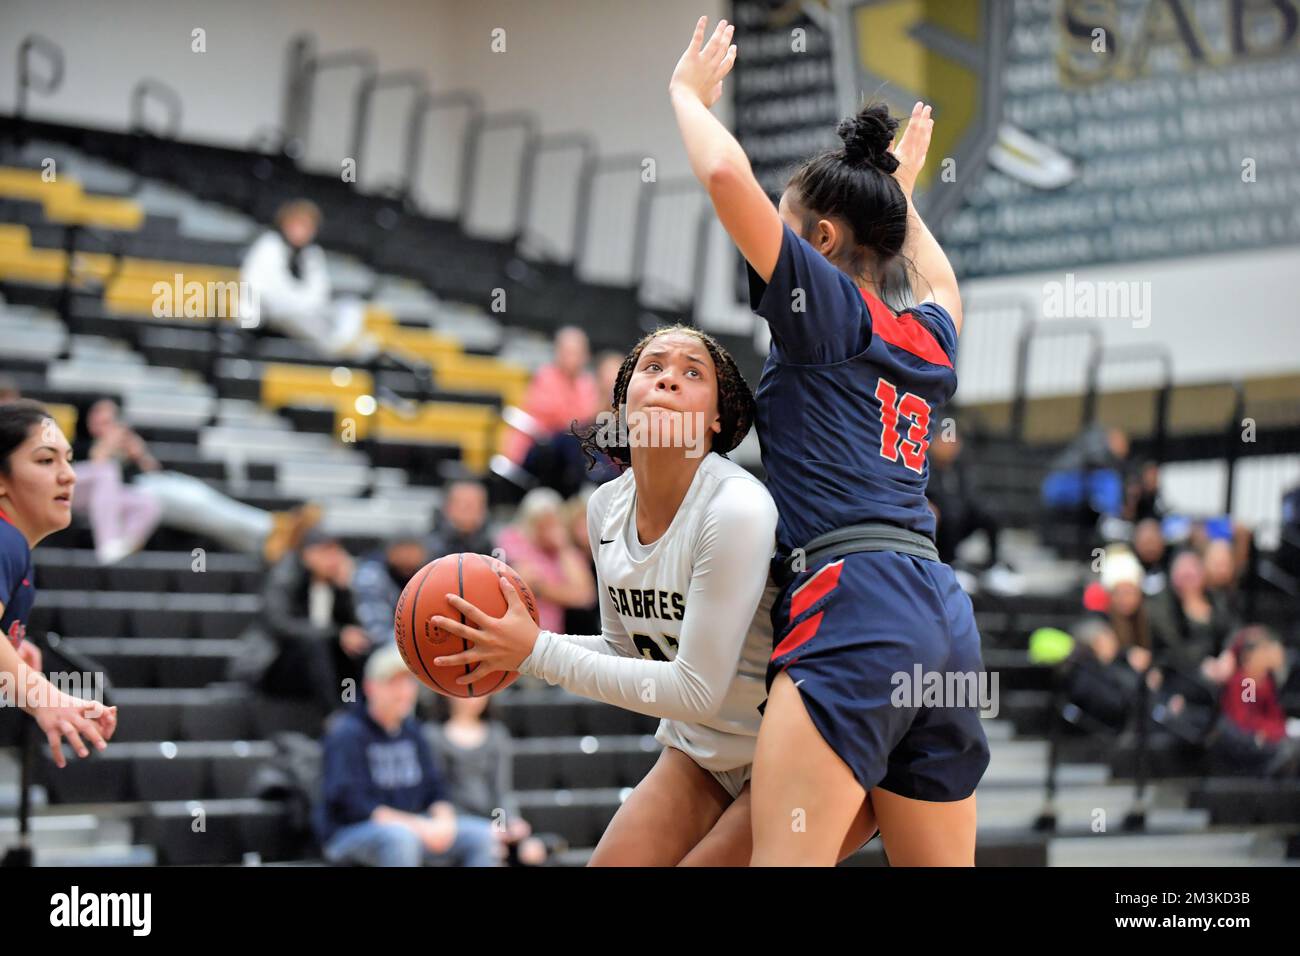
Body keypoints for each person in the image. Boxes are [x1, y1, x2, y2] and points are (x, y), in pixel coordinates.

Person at [668, 18, 989, 864]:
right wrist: (900, 197)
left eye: (784, 228)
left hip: (853, 607)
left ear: (818, 243)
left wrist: (687, 99)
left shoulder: (829, 315)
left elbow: (721, 171)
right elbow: (943, 281)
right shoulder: (929, 336)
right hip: (942, 617)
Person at [422, 325, 873, 866]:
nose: (668, 380)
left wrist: (536, 652)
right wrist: (522, 644)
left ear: (717, 418)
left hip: (806, 750)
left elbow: (695, 689)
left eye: (692, 372)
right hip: (704, 750)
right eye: (652, 367)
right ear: (622, 402)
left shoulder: (736, 507)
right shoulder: (604, 509)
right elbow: (625, 654)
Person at [0, 400, 118, 766]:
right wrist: (44, 697)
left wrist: (11, 651)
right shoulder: (6, 541)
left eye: (67, 459)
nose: (69, 475)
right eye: (46, 460)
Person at [73, 398, 318, 564]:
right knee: (193, 501)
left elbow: (152, 472)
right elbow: (97, 472)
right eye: (101, 418)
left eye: (112, 418)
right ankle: (270, 526)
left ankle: (267, 539)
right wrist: (108, 445)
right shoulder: (80, 447)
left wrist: (140, 454)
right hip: (131, 496)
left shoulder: (123, 446)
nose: (109, 423)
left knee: (201, 500)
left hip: (142, 491)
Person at [315, 645, 499, 866]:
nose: (404, 692)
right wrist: (418, 826)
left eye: (409, 682)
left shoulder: (414, 732)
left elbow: (436, 789)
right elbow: (354, 804)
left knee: (483, 836)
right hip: (350, 834)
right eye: (394, 683)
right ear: (370, 687)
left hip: (411, 828)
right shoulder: (346, 732)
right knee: (400, 838)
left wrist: (444, 820)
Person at [254, 530, 371, 715]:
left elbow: (352, 627)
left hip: (325, 663)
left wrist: (344, 589)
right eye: (326, 552)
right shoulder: (286, 576)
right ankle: (332, 715)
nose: (333, 559)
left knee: (361, 644)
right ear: (308, 554)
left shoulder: (336, 584)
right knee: (315, 643)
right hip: (279, 662)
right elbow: (279, 625)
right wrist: (336, 634)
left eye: (336, 552)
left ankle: (363, 711)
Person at [240, 199, 376, 359]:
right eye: (298, 224)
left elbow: (320, 294)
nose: (302, 231)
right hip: (270, 317)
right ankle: (334, 347)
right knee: (291, 314)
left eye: (308, 226)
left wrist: (305, 305)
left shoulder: (312, 254)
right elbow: (263, 293)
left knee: (351, 308)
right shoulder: (269, 246)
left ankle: (344, 343)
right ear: (286, 223)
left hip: (306, 313)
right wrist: (299, 303)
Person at [424, 695, 548, 866]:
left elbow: (501, 791)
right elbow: (438, 795)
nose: (472, 698)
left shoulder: (497, 734)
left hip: (490, 821)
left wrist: (506, 826)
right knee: (486, 843)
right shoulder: (432, 735)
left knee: (533, 850)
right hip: (451, 824)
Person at [493, 487, 596, 635]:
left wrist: (563, 547)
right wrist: (562, 592)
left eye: (553, 523)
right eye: (542, 523)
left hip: (552, 636)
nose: (549, 530)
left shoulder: (562, 550)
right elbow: (529, 584)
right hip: (519, 632)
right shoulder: (513, 540)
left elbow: (586, 596)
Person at [353, 535, 429, 650]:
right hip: (377, 647)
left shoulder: (427, 575)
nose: (408, 556)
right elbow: (377, 630)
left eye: (413, 550)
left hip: (415, 644)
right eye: (404, 549)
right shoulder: (372, 576)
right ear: (390, 552)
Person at [427, 480, 494, 559]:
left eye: (473, 505)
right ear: (447, 507)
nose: (467, 511)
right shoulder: (427, 549)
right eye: (462, 504)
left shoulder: (492, 548)